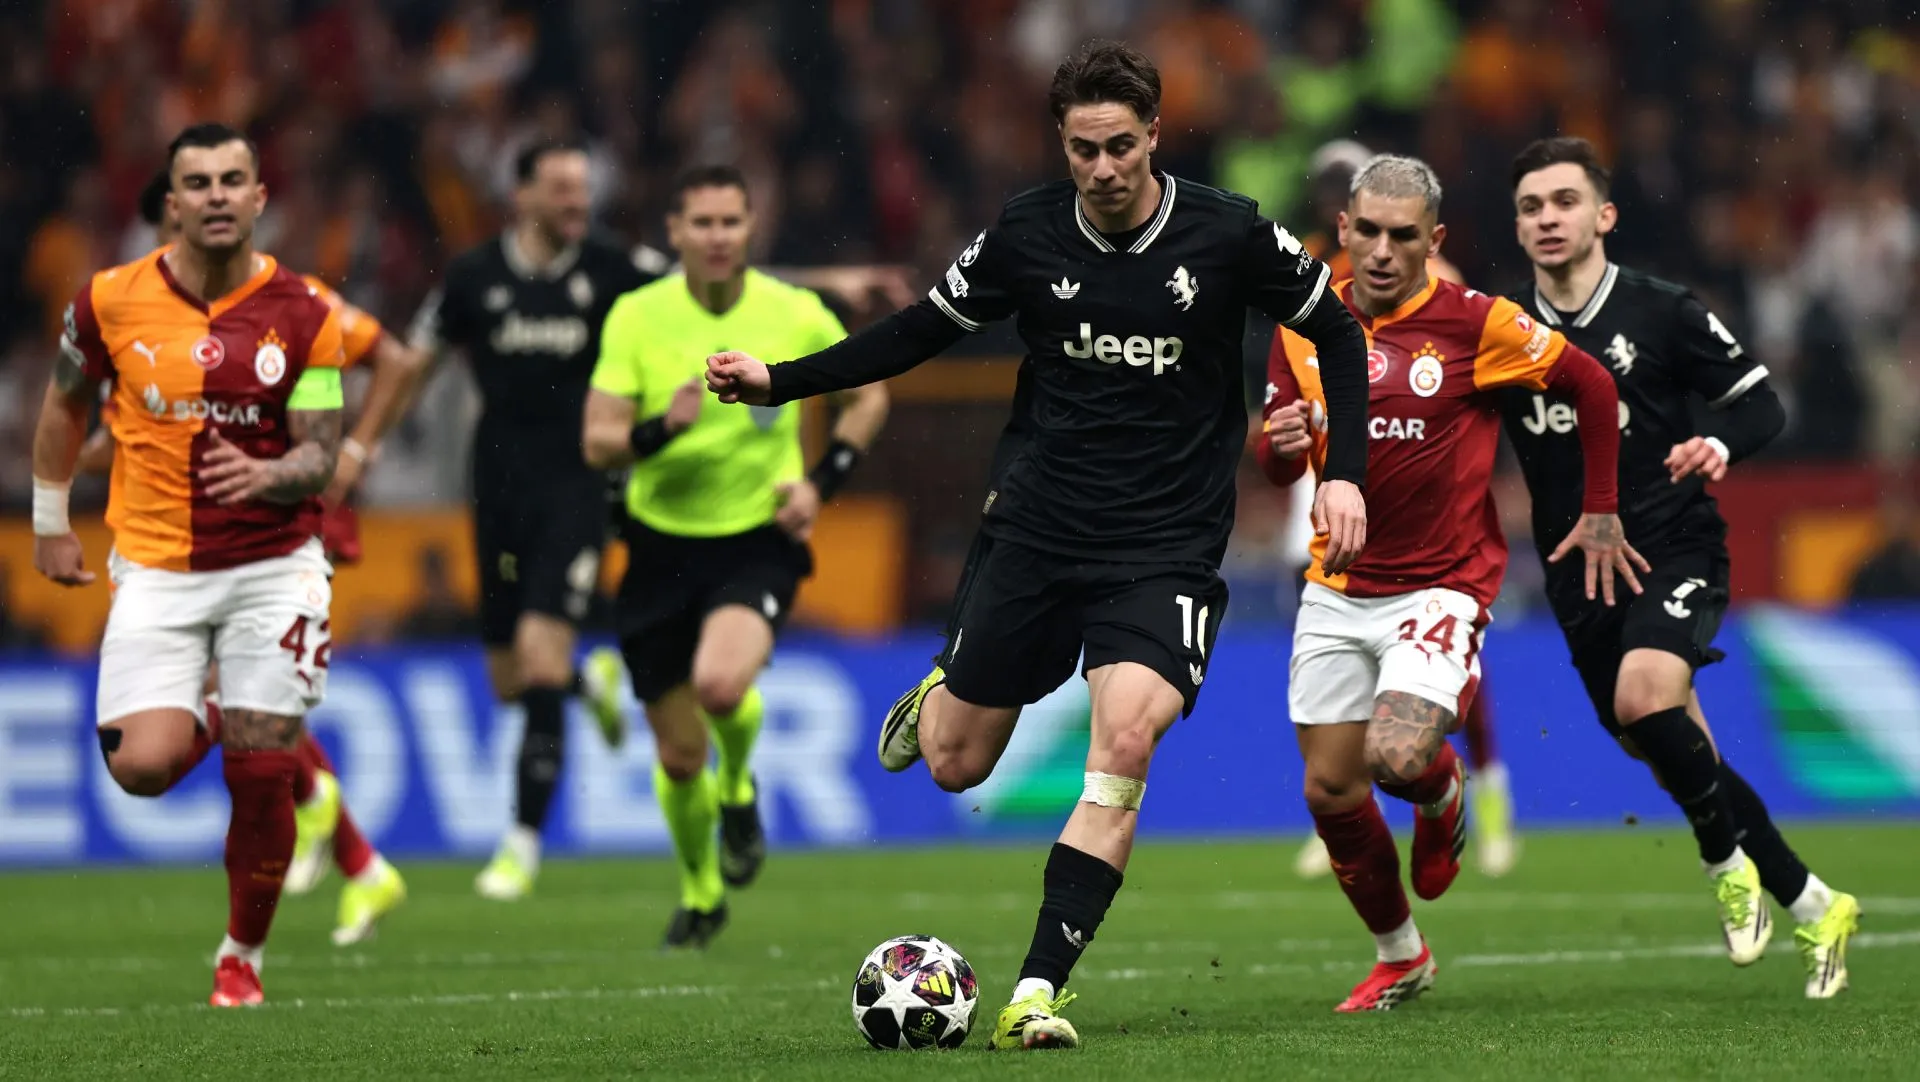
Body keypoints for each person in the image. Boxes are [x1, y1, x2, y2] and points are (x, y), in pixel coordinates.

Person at [707, 40, 1371, 1049]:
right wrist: (779, 379)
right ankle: (940, 687)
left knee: (1126, 740)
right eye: (1081, 150)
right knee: (953, 763)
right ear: (1061, 147)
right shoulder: (1025, 232)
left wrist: (1348, 470)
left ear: (1153, 136)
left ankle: (1034, 992)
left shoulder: (1228, 232)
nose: (1101, 169)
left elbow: (1343, 334)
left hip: (1164, 544)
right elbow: (917, 331)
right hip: (1037, 526)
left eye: (1118, 146)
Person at [1258, 153, 1631, 1012]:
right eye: (1370, 233)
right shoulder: (1298, 325)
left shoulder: (1476, 324)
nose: (1384, 252)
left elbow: (1592, 383)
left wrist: (1602, 506)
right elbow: (1279, 467)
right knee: (1329, 789)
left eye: (1404, 236)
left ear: (1435, 240)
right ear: (1343, 231)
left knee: (1396, 756)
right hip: (1336, 586)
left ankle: (1443, 788)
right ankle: (1402, 957)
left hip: (1441, 585)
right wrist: (1275, 449)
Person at [1502, 136, 1859, 999]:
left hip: (1674, 545)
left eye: (1564, 201)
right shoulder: (1502, 332)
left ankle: (1718, 860)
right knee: (1663, 745)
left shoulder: (1663, 311)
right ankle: (1815, 903)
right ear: (1518, 229)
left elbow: (1766, 403)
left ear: (1604, 216)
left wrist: (1718, 441)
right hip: (1577, 572)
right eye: (1530, 207)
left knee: (1642, 700)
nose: (1548, 219)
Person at [30, 123, 349, 1006]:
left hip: (274, 563)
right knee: (139, 769)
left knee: (262, 769)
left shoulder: (308, 312)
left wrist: (270, 471)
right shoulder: (107, 300)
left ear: (259, 197)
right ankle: (217, 704)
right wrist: (51, 521)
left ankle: (242, 955)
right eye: (198, 182)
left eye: (232, 179)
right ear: (172, 203)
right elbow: (62, 405)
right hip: (157, 565)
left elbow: (322, 452)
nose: (216, 195)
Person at [75, 169, 410, 945]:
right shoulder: (137, 320)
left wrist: (355, 451)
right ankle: (357, 857)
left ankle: (337, 830)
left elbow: (396, 358)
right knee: (239, 692)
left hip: (272, 528)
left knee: (244, 690)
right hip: (178, 539)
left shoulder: (295, 304)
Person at [583, 164, 889, 949]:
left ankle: (742, 787)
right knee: (679, 756)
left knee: (721, 685)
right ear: (674, 233)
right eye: (702, 223)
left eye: (731, 223)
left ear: (751, 229)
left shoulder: (794, 312)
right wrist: (662, 431)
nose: (718, 237)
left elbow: (870, 394)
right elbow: (598, 441)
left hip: (757, 537)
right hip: (657, 544)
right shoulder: (637, 317)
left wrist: (824, 482)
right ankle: (702, 890)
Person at [404, 137, 649, 900]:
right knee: (513, 680)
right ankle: (588, 682)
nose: (579, 203)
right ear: (523, 196)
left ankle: (521, 843)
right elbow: (414, 358)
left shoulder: (612, 267)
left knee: (538, 658)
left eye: (584, 190)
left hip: (580, 486)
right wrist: (359, 444)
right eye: (564, 191)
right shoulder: (475, 277)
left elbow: (714, 284)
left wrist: (831, 281)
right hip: (498, 490)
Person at [1282, 147, 1515, 880]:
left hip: (1425, 509)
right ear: (1339, 211)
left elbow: (1474, 383)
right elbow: (1282, 407)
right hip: (1329, 489)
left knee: (1428, 682)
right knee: (1345, 667)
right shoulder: (1311, 284)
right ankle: (1357, 800)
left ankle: (1484, 787)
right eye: (1330, 193)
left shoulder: (1442, 292)